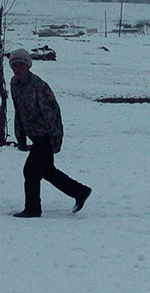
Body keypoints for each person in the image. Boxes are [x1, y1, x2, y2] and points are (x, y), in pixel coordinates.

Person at [9, 48, 91, 218]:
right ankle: (80, 191)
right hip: (34, 135)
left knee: (31, 172)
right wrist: (21, 139)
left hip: (45, 136)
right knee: (46, 171)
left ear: (28, 66)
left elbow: (52, 114)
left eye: (21, 65)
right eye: (14, 65)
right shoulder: (15, 84)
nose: (17, 69)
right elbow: (18, 112)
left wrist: (56, 140)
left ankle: (32, 209)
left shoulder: (39, 85)